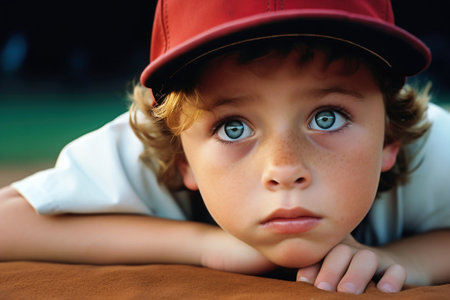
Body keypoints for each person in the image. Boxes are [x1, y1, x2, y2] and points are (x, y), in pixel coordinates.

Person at [1, 0, 449, 295]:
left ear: (390, 137)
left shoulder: (429, 142)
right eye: (233, 128)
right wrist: (201, 246)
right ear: (183, 158)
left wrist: (407, 261)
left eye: (326, 117)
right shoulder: (144, 144)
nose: (284, 168)